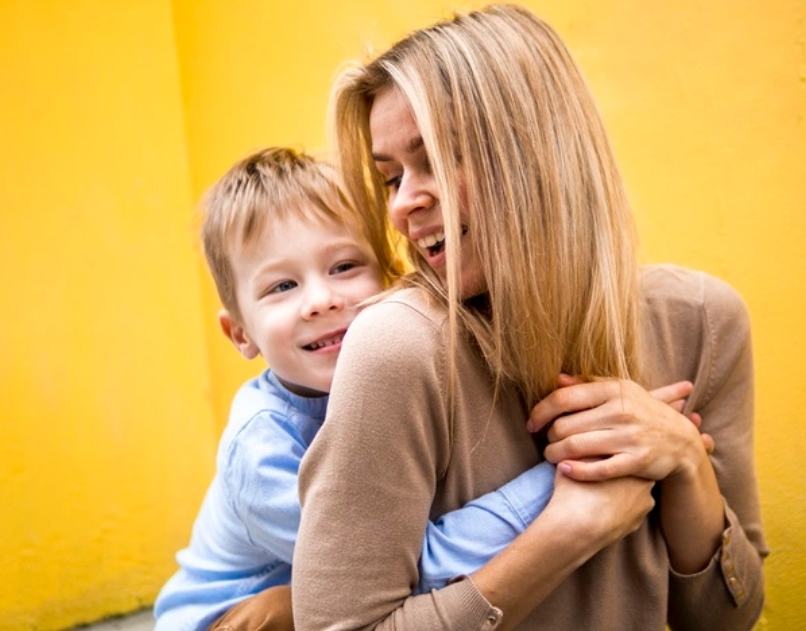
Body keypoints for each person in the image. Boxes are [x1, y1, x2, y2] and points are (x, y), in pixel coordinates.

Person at [292, 5, 767, 631]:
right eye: (390, 178)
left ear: (542, 151)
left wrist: (684, 461)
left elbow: (729, 618)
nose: (404, 203)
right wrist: (569, 530)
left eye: (435, 156)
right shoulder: (398, 347)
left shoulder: (703, 322)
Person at [153, 147, 559, 631]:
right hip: (228, 620)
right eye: (282, 287)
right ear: (240, 333)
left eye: (344, 267)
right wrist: (558, 482)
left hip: (324, 606)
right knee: (274, 616)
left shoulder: (402, 376)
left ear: (391, 278)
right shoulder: (261, 448)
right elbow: (398, 566)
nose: (321, 301)